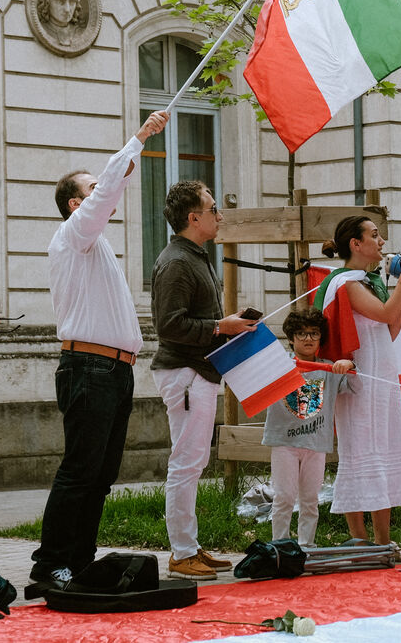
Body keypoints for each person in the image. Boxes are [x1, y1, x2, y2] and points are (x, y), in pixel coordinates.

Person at [27, 110, 170, 595]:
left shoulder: (95, 242)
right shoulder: (75, 234)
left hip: (113, 369)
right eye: (90, 190)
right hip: (90, 367)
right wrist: (140, 139)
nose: (103, 193)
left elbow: (111, 188)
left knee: (100, 475)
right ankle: (50, 563)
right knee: (80, 469)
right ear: (75, 204)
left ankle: (78, 560)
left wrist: (127, 163)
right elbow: (109, 189)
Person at [151, 180, 258, 579]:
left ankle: (190, 545)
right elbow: (169, 325)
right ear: (194, 218)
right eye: (213, 209)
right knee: (186, 462)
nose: (220, 215)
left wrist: (226, 325)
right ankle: (181, 553)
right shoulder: (178, 262)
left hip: (196, 372)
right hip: (186, 373)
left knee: (192, 462)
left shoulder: (192, 255)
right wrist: (220, 326)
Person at [313, 216, 401, 555]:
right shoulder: (346, 283)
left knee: (384, 452)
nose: (382, 241)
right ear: (355, 244)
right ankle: (361, 542)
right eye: (374, 235)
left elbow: (391, 328)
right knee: (361, 455)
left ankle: (383, 542)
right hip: (359, 380)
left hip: (382, 375)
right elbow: (387, 313)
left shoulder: (369, 282)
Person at [261, 309, 355, 546]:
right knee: (283, 497)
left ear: (321, 338)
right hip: (284, 442)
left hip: (316, 443)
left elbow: (356, 386)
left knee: (310, 500)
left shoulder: (330, 369)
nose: (308, 338)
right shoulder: (278, 364)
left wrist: (350, 364)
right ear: (291, 338)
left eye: (314, 333)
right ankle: (281, 546)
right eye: (301, 334)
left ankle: (306, 547)